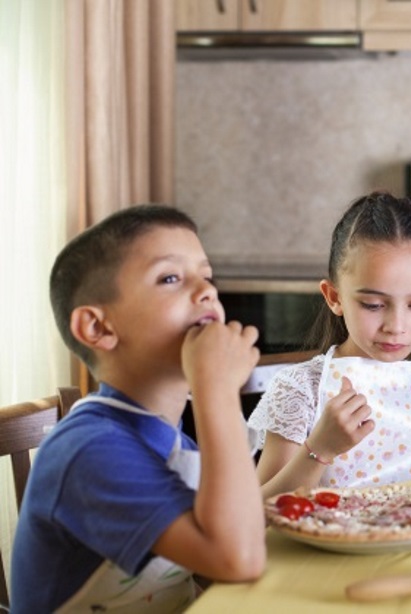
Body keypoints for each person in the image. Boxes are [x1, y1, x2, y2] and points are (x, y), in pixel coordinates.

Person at [12, 205, 266, 612]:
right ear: (98, 328)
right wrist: (215, 390)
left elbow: (214, 563)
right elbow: (238, 560)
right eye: (170, 278)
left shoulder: (167, 436)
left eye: (207, 276)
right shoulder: (89, 448)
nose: (207, 291)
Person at [249, 191, 411, 498]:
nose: (396, 327)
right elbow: (259, 512)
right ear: (334, 297)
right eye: (373, 304)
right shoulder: (300, 390)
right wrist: (319, 449)